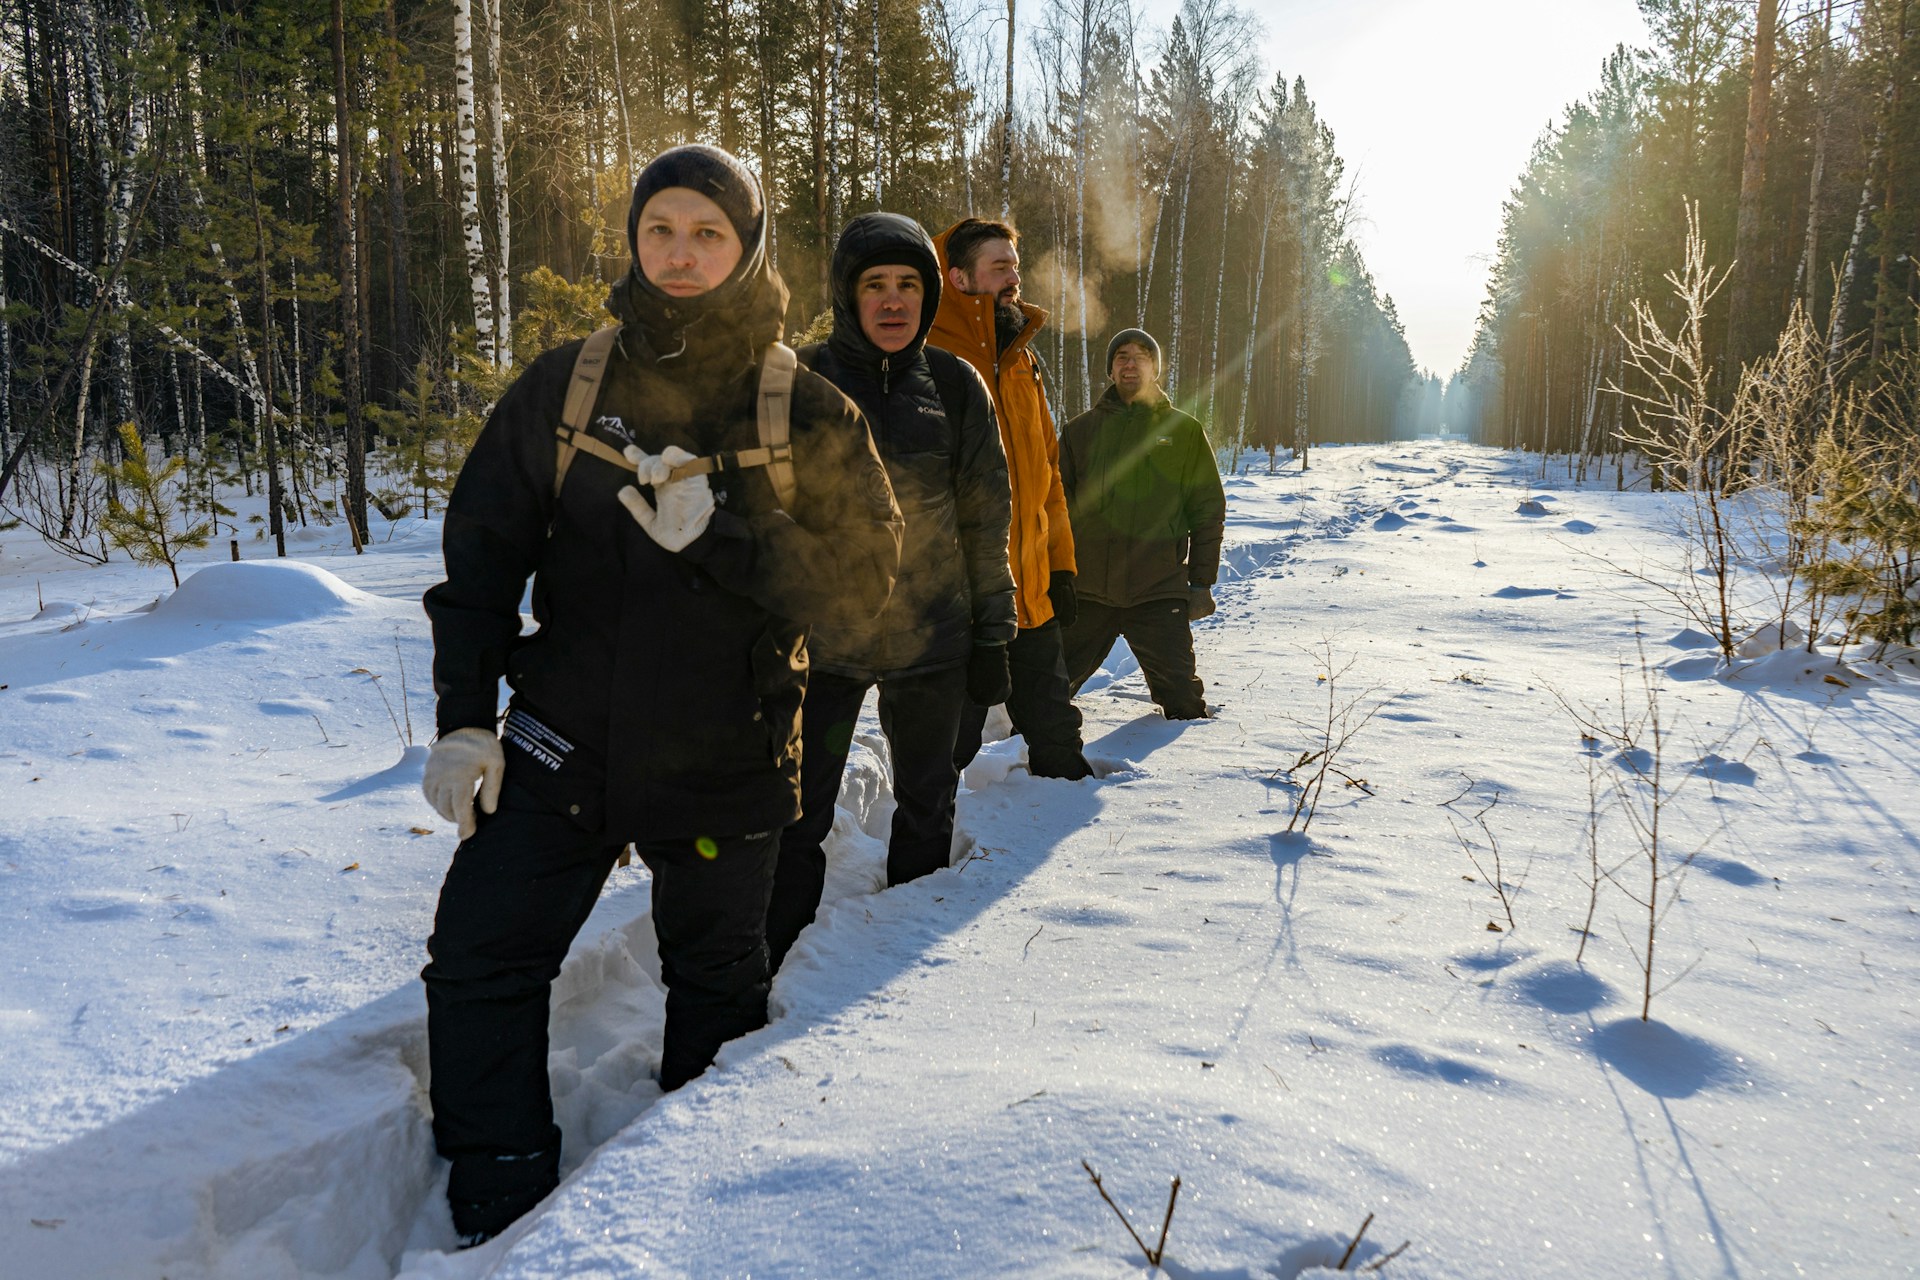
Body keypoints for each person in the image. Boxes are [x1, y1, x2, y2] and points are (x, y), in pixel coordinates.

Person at [416, 144, 903, 1246]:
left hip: (728, 749)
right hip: (562, 737)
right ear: (634, 239)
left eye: (708, 233)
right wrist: (464, 719)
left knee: (717, 985)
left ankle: (686, 1210)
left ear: (748, 248)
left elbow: (864, 586)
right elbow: (481, 560)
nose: (681, 254)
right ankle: (496, 1197)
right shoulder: (567, 386)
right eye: (661, 230)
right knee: (481, 957)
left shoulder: (804, 406)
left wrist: (723, 534)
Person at [764, 212, 1016, 971]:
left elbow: (986, 517)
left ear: (930, 295)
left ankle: (907, 965)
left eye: (909, 284)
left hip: (933, 639)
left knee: (927, 805)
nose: (893, 299)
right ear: (848, 294)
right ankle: (773, 959)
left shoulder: (956, 384)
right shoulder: (800, 381)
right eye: (875, 284)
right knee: (796, 814)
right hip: (823, 644)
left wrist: (994, 631)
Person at [928, 217, 1094, 781]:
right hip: (965, 603)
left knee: (1057, 737)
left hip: (1032, 592)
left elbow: (1048, 475)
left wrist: (1061, 564)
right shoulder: (930, 357)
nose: (1014, 279)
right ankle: (925, 837)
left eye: (1015, 267)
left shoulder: (1023, 359)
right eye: (1000, 268)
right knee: (942, 749)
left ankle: (1072, 828)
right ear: (958, 277)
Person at [1059, 327, 1225, 719]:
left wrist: (1201, 583)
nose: (1130, 364)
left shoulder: (1184, 431)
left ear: (1155, 369)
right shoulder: (1079, 431)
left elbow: (1207, 510)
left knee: (1184, 704)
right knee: (1041, 700)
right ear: (1110, 370)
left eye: (1141, 357)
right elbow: (1055, 511)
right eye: (1121, 357)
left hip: (1157, 590)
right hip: (1088, 591)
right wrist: (1055, 576)